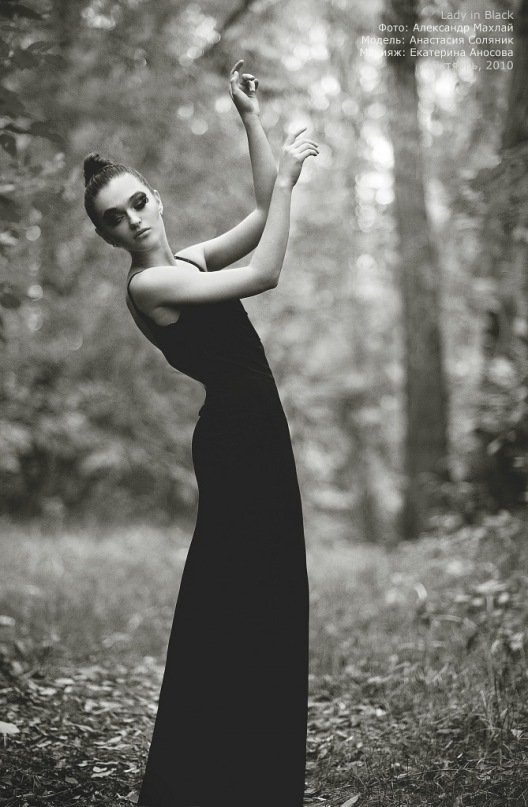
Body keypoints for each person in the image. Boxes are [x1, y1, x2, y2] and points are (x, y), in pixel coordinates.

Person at [83, 59, 319, 807]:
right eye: (114, 218)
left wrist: (249, 118)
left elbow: (259, 210)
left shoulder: (186, 260)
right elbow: (266, 270)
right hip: (237, 441)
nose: (132, 219)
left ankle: (245, 769)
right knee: (240, 595)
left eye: (137, 201)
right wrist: (289, 183)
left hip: (255, 431)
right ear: (107, 235)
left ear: (156, 196)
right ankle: (213, 773)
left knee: (263, 591)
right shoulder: (152, 284)